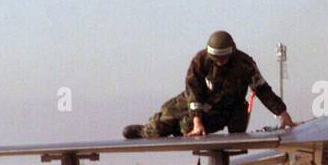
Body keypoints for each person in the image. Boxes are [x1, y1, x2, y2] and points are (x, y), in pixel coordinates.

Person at [124, 30, 296, 139]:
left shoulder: (244, 64)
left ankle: (184, 127)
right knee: (163, 124)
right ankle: (144, 131)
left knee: (187, 129)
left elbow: (263, 90)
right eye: (217, 59)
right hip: (197, 101)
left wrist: (283, 115)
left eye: (224, 59)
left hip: (224, 110)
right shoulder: (200, 61)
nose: (220, 63)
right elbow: (193, 91)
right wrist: (197, 119)